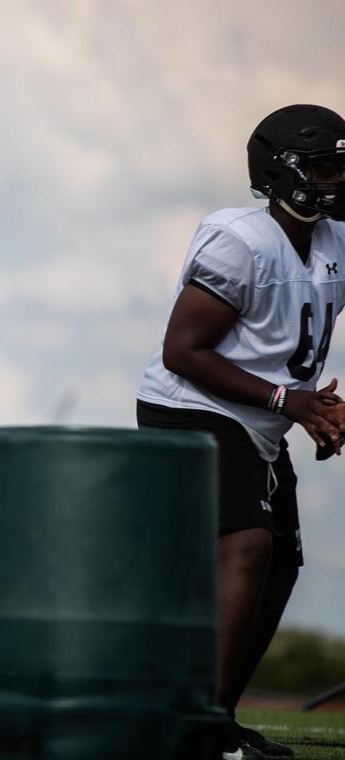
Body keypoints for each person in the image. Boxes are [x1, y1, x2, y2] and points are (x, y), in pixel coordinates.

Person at [137, 104, 345, 760]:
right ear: (279, 173)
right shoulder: (240, 240)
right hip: (190, 403)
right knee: (249, 546)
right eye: (321, 167)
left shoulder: (337, 239)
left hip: (260, 416)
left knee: (281, 565)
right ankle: (200, 724)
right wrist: (292, 401)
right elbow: (183, 350)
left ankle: (216, 719)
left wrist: (312, 408)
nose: (335, 180)